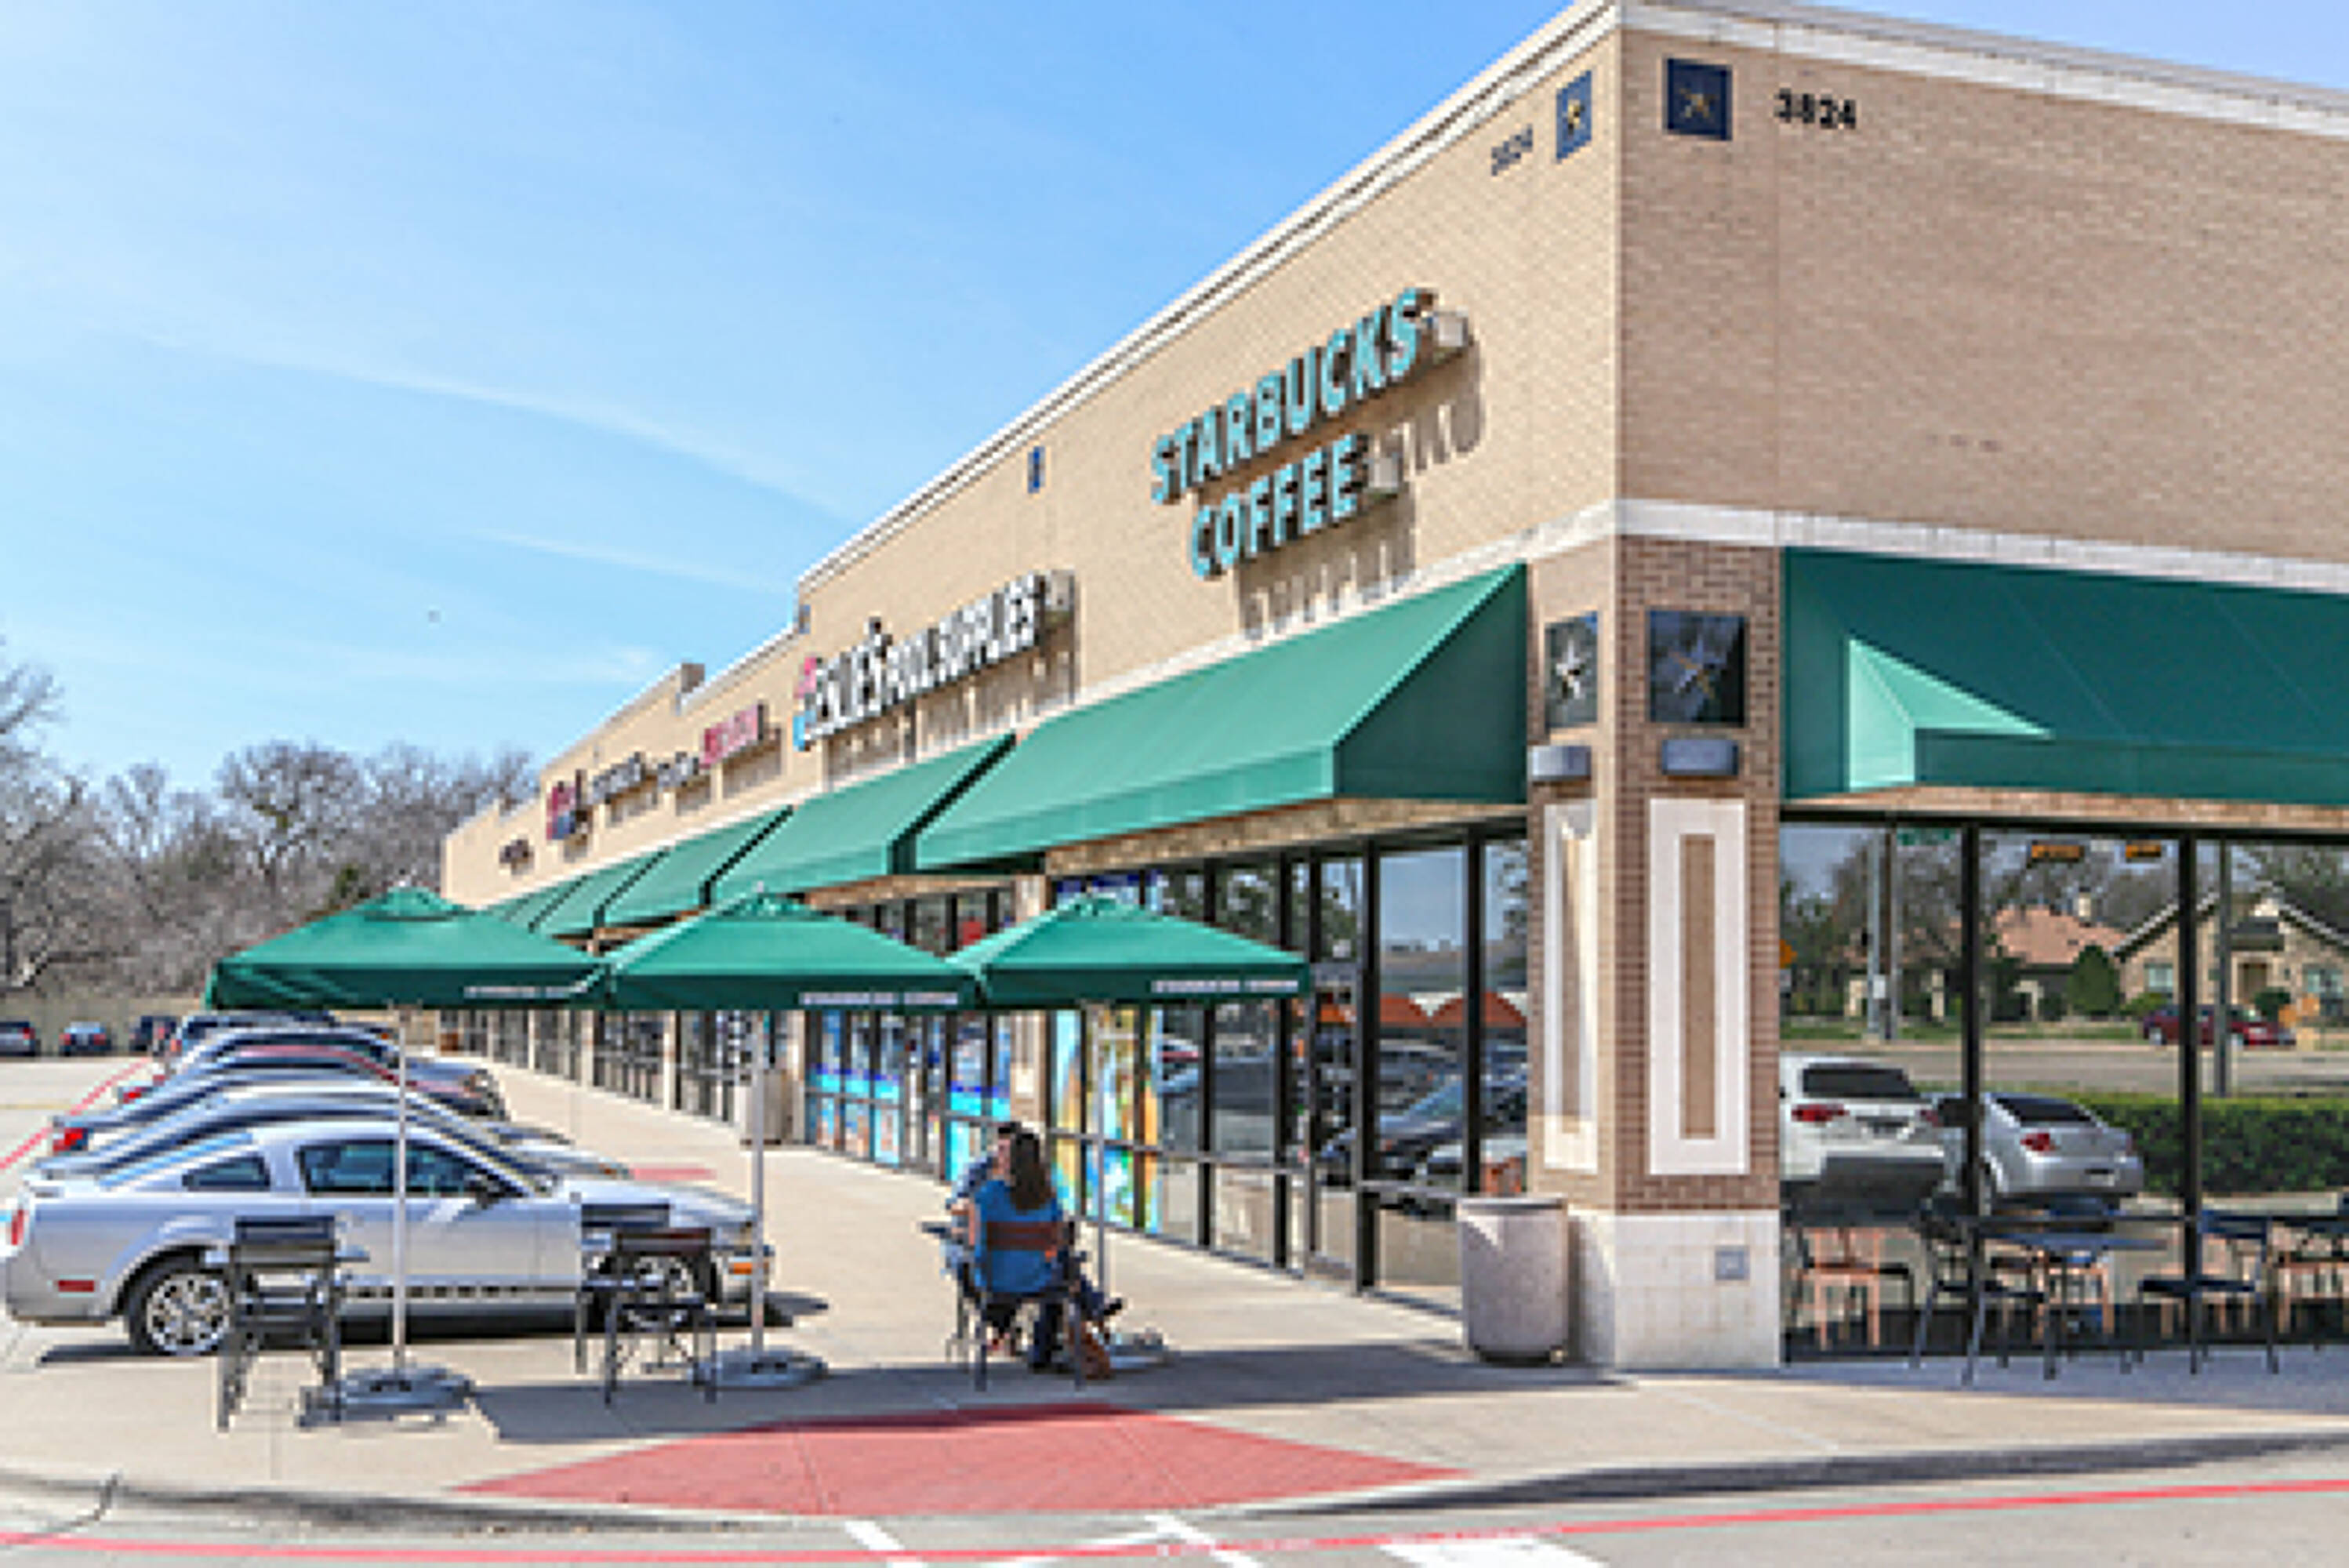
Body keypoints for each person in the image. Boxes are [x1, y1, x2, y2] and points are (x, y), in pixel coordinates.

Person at [971, 1129, 1072, 1372]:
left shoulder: (989, 1193)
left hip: (995, 1281)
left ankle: (1002, 1326)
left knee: (963, 1267)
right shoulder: (1048, 1198)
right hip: (1037, 1280)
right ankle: (1043, 1350)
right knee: (1059, 1285)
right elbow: (1058, 1240)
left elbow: (975, 1241)